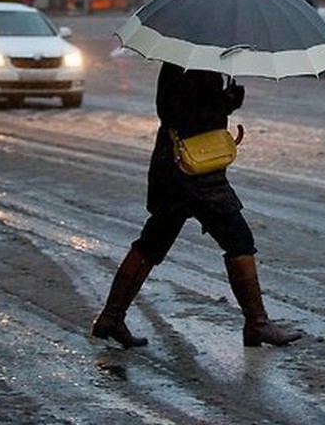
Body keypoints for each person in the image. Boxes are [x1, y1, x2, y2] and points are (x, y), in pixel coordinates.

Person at [91, 63, 302, 349]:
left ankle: (111, 318)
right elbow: (174, 112)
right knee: (239, 240)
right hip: (191, 172)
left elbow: (191, 109)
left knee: (152, 243)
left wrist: (226, 102)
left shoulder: (195, 62)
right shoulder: (185, 65)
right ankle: (257, 323)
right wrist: (223, 103)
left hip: (178, 170)